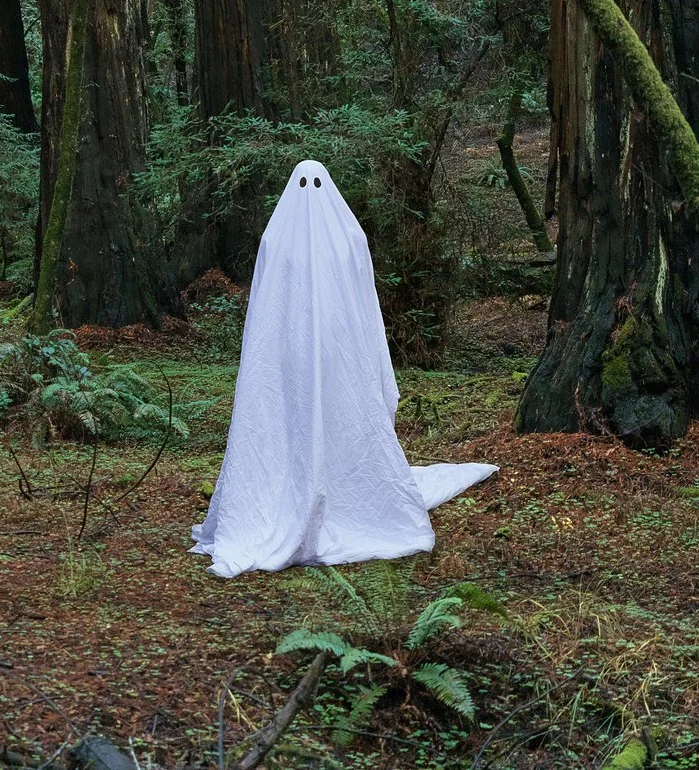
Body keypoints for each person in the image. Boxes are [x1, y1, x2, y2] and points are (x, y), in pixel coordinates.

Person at [191, 160, 496, 577]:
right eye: (305, 183)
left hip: (334, 355)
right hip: (298, 356)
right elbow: (268, 312)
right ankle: (309, 490)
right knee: (296, 422)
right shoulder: (299, 239)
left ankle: (330, 491)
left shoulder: (316, 238)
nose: (310, 192)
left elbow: (362, 305)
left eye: (315, 183)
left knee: (336, 421)